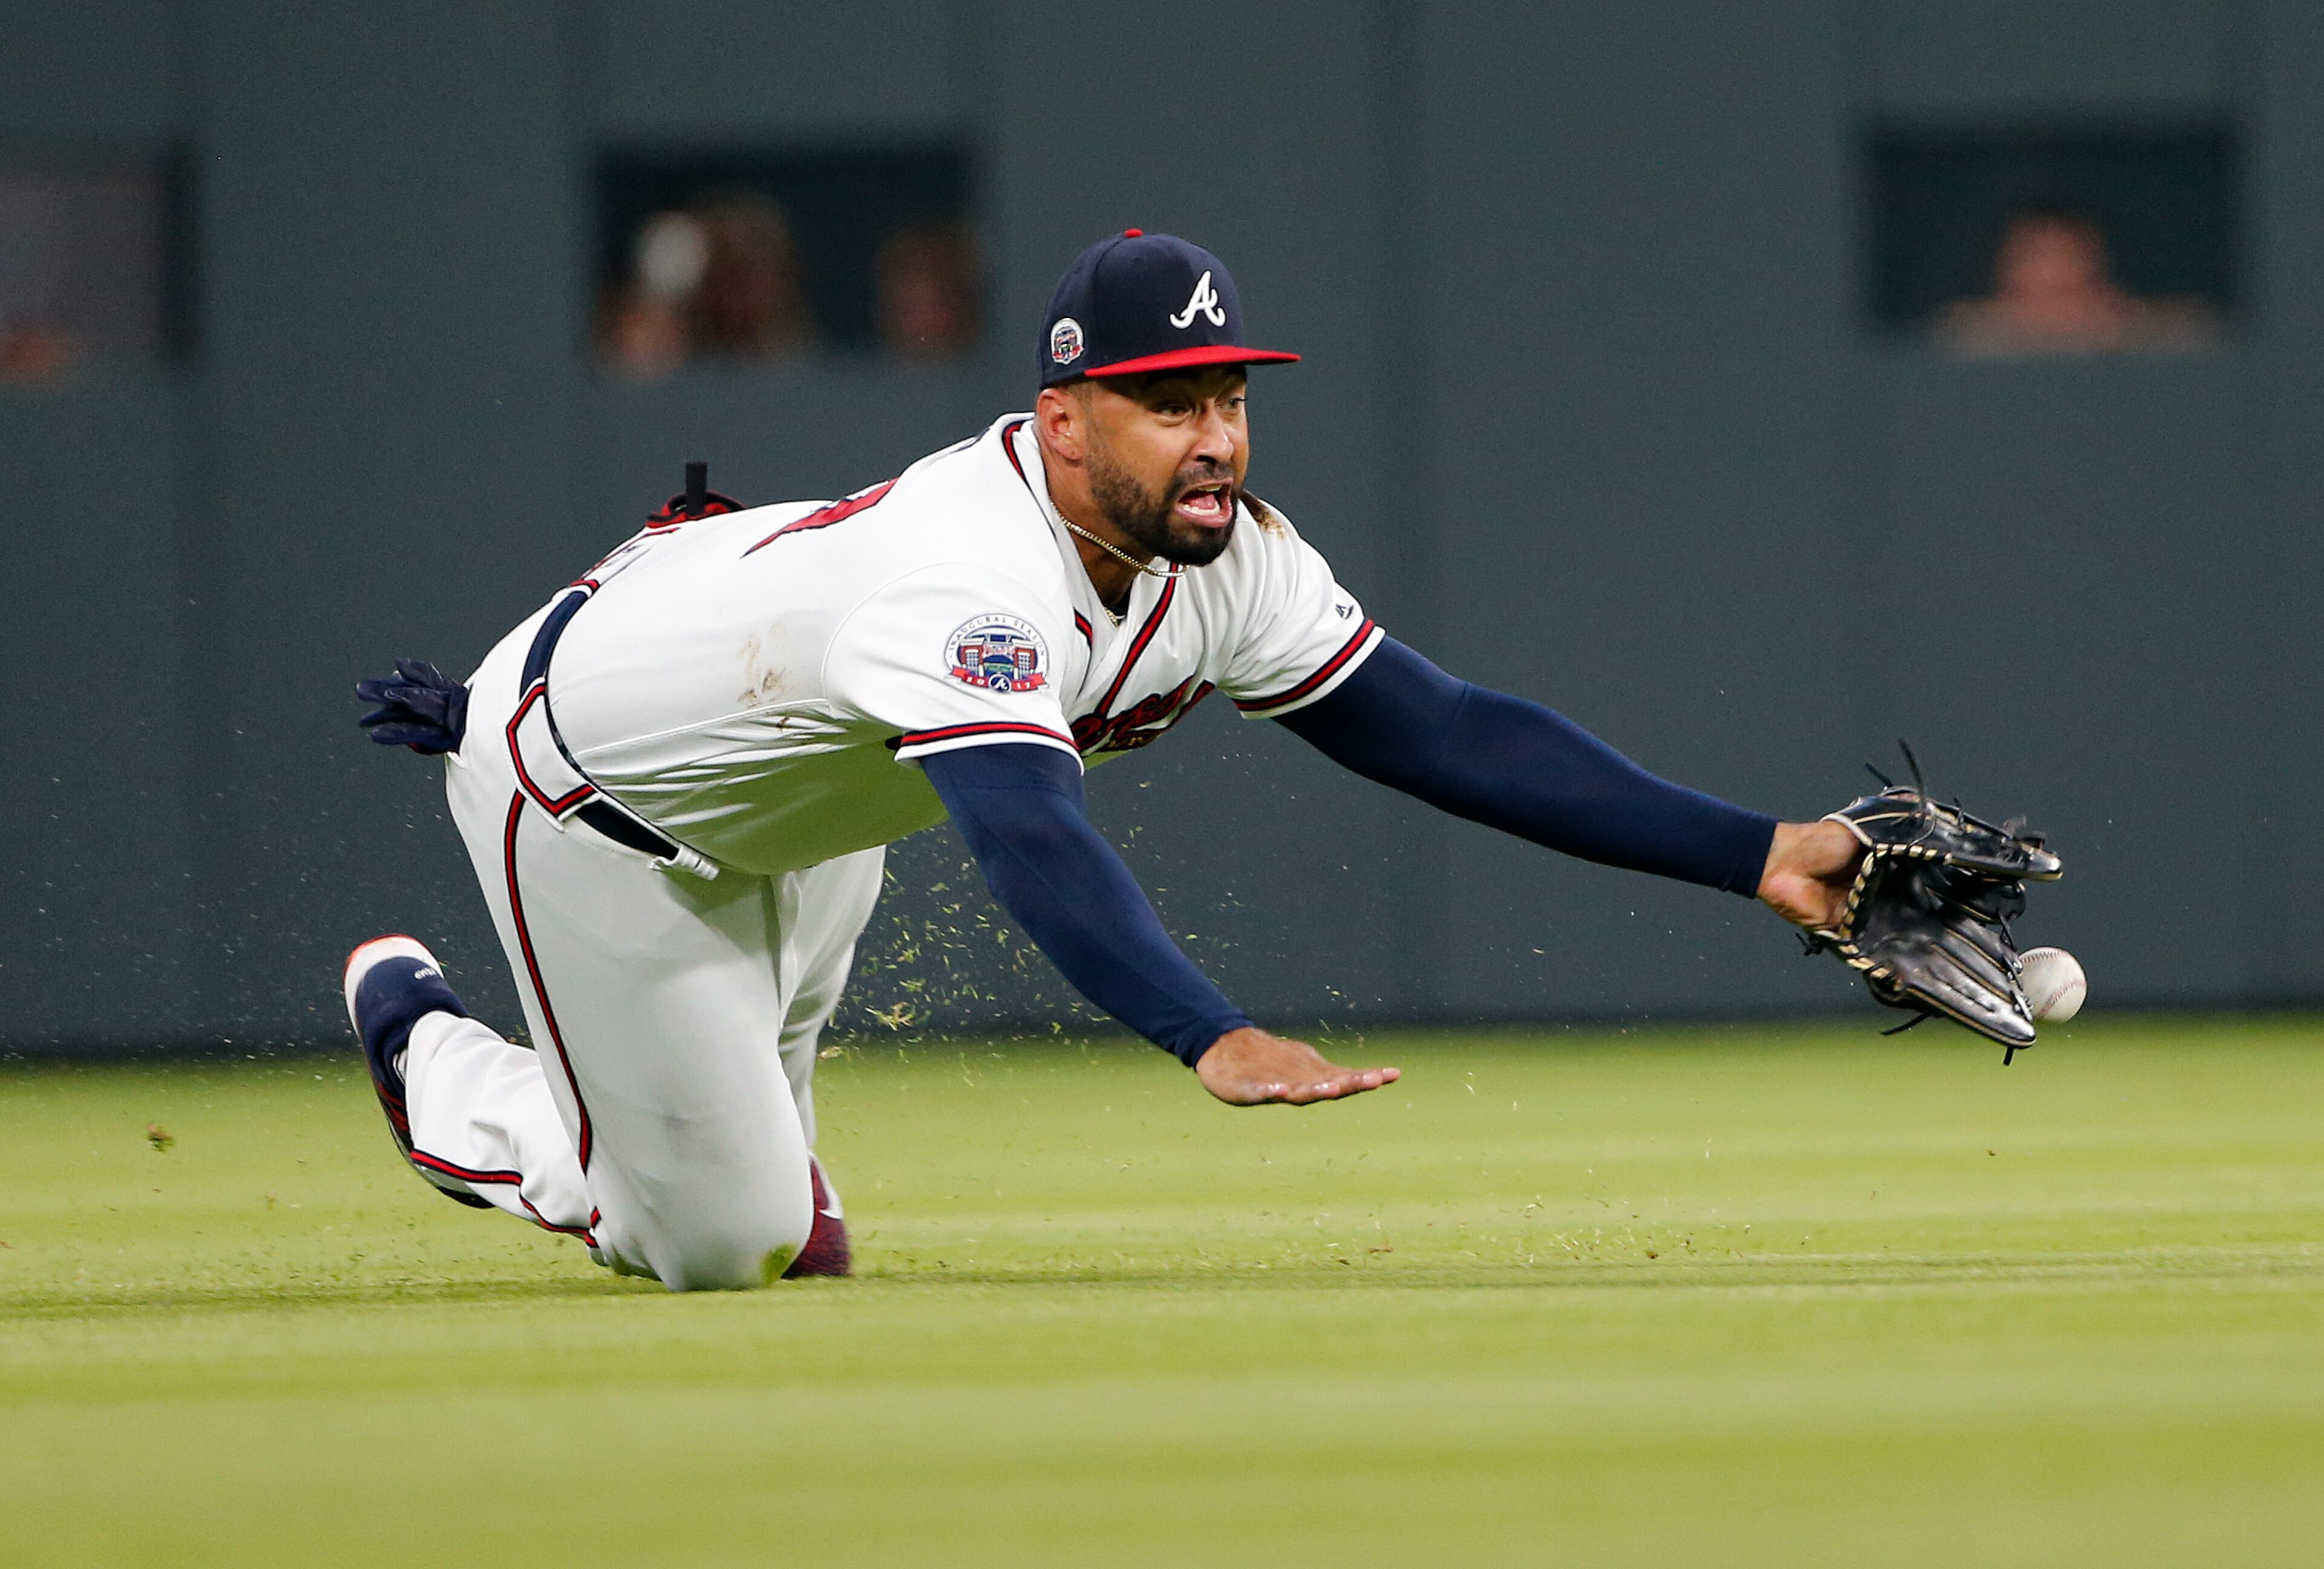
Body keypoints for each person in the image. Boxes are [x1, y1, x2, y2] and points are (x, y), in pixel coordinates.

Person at [347, 230, 1865, 1291]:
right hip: (591, 798)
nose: (1210, 438)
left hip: (796, 799)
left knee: (778, 1225)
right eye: (1164, 403)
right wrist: (1205, 1032)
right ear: (1063, 422)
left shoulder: (1229, 556)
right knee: (719, 1245)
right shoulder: (972, 576)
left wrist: (1760, 850)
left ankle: (664, 1115)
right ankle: (439, 1062)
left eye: (1227, 398)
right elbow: (1028, 835)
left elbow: (1440, 728)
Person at [1934, 201, 2217, 357]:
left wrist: (2117, 326)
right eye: (2038, 257)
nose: (2057, 276)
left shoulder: (2147, 327)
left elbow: (2199, 331)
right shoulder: (1967, 335)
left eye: (2073, 256)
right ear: (2004, 271)